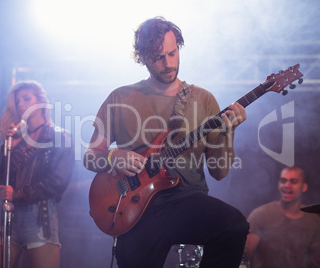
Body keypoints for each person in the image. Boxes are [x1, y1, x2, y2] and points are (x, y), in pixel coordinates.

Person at [84, 17, 249, 268]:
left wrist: (228, 133)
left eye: (173, 53)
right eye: (159, 57)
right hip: (136, 209)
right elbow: (90, 156)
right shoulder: (120, 97)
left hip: (186, 200)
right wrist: (112, 156)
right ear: (142, 57)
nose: (169, 63)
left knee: (234, 226)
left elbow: (219, 172)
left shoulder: (203, 99)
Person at [0, 81, 75, 268]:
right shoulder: (17, 138)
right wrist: (8, 147)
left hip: (40, 218)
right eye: (17, 101)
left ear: (40, 101)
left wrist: (17, 193)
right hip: (11, 216)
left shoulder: (60, 136)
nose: (21, 104)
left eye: (26, 98)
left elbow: (58, 182)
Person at [244, 166, 320, 268]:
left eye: (293, 181)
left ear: (304, 187)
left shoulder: (313, 219)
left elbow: (316, 256)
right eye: (283, 181)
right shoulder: (261, 214)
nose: (287, 185)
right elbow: (246, 254)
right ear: (278, 184)